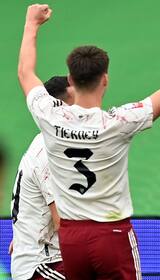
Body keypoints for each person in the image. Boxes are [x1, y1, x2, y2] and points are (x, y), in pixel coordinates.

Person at [18, 4, 160, 279]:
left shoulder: (49, 116)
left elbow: (25, 72)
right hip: (111, 235)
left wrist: (31, 24)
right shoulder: (118, 123)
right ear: (105, 80)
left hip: (70, 238)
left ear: (70, 79)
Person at [10, 76, 73, 280]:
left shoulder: (51, 143)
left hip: (46, 259)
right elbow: (63, 224)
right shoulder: (48, 153)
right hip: (42, 266)